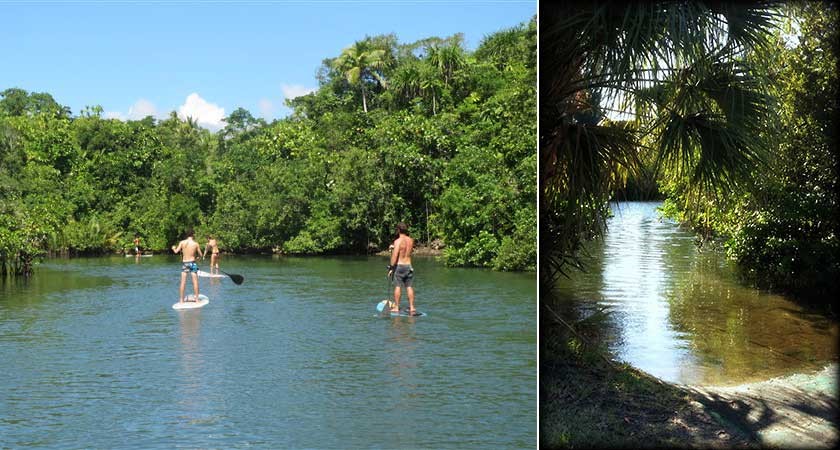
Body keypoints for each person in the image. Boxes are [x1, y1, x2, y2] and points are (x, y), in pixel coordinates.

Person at [387, 222, 418, 315]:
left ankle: (396, 307)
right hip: (409, 266)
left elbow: (395, 255)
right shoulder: (411, 240)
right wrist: (394, 247)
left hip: (400, 266)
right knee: (409, 286)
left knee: (398, 286)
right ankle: (412, 307)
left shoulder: (397, 241)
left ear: (398, 230)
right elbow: (406, 250)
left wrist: (391, 267)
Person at [171, 229, 204, 303]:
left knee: (183, 282)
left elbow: (176, 251)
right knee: (195, 282)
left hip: (185, 264)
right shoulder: (195, 244)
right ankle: (197, 300)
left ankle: (181, 300)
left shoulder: (182, 242)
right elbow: (201, 255)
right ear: (193, 235)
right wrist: (198, 258)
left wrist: (173, 248)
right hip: (192, 263)